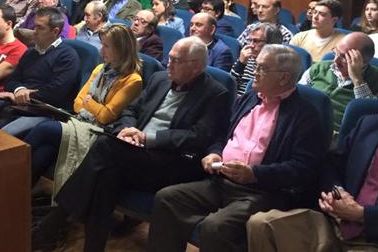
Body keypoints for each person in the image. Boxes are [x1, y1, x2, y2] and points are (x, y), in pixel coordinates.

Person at [34, 37, 232, 251]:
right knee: (106, 176)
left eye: (176, 60)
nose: (169, 63)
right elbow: (131, 110)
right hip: (133, 152)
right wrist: (126, 131)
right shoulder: (159, 79)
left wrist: (147, 138)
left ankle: (51, 225)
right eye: (169, 57)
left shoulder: (215, 94)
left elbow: (197, 137)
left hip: (170, 161)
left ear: (196, 66)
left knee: (104, 146)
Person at [148, 45, 326, 252]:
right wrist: (214, 153)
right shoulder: (249, 98)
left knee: (215, 227)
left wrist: (255, 174)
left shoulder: (305, 115)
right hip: (221, 181)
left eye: (262, 68)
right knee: (167, 199)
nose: (254, 72)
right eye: (256, 66)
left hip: (262, 192)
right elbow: (221, 134)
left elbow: (303, 168)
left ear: (283, 77)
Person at [246, 68, 378, 252]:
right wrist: (337, 193)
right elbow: (330, 165)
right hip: (333, 222)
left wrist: (362, 214)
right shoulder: (368, 125)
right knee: (261, 224)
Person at [24, 24, 142, 188]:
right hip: (80, 121)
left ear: (121, 49)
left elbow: (106, 116)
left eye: (106, 46)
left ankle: (8, 169)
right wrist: (92, 105)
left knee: (44, 129)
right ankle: (19, 192)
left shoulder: (133, 80)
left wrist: (89, 102)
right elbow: (77, 104)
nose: (101, 50)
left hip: (99, 132)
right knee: (46, 151)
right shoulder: (100, 69)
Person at [0, 7, 80, 137]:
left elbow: (55, 92)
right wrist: (19, 90)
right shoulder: (30, 52)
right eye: (35, 26)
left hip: (44, 111)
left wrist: (25, 95)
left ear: (55, 31)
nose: (34, 31)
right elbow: (11, 80)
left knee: (3, 134)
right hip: (17, 103)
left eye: (40, 28)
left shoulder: (67, 56)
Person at [300, 31, 378, 131]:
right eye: (335, 52)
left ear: (364, 61)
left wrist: (357, 79)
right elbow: (298, 94)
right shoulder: (319, 68)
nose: (335, 60)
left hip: (339, 134)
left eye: (344, 57)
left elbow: (371, 115)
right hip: (304, 123)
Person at [230, 22, 283, 94]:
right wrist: (240, 64)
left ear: (271, 43)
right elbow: (230, 86)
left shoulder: (276, 69)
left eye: (256, 41)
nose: (251, 45)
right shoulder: (246, 58)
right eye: (250, 40)